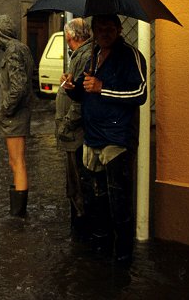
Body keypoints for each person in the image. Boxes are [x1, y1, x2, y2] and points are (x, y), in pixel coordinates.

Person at [63, 14, 147, 263]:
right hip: (93, 139)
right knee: (95, 200)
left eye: (109, 28)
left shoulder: (131, 55)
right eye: (99, 29)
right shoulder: (93, 55)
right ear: (94, 32)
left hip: (117, 140)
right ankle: (101, 249)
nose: (104, 33)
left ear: (119, 29)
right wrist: (72, 88)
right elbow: (83, 91)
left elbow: (140, 93)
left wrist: (103, 88)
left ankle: (122, 257)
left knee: (119, 201)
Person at [0, 15, 34, 217]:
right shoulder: (21, 48)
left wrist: (5, 110)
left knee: (17, 162)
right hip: (18, 114)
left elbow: (18, 87)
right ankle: (17, 207)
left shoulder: (13, 51)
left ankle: (18, 213)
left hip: (15, 116)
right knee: (15, 161)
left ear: (0, 34)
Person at [54, 18, 92, 238]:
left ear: (71, 37)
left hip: (75, 133)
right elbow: (75, 88)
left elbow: (79, 101)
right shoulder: (80, 55)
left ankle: (81, 230)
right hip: (73, 131)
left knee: (76, 180)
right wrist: (68, 82)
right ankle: (79, 225)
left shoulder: (84, 55)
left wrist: (66, 125)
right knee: (75, 179)